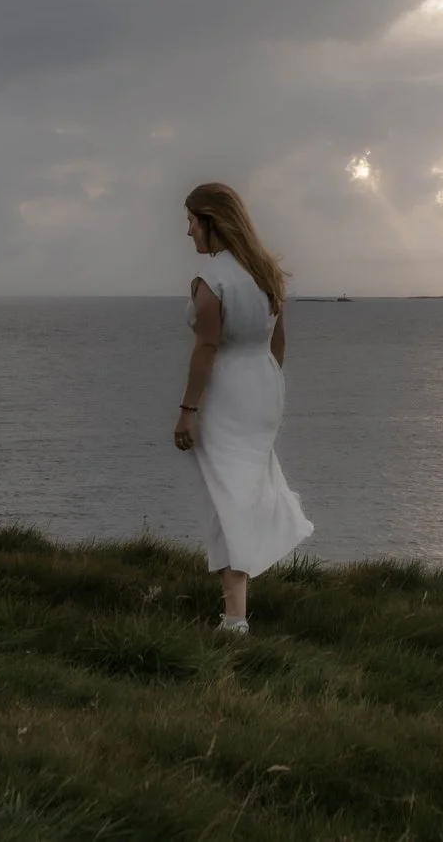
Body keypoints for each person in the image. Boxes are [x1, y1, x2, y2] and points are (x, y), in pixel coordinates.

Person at [173, 181, 313, 633]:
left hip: (227, 391)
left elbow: (207, 348)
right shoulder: (265, 271)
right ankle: (234, 609)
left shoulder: (212, 280)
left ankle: (235, 621)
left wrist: (188, 410)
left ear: (213, 222)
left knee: (229, 496)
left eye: (192, 220)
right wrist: (268, 385)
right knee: (236, 492)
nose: (188, 230)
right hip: (264, 387)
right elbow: (278, 344)